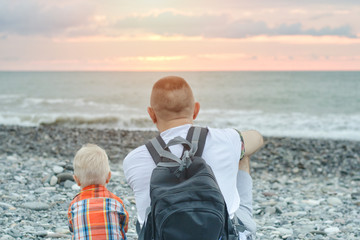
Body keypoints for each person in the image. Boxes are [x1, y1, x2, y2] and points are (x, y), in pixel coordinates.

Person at [123, 76, 264, 239]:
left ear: (151, 114)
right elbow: (258, 139)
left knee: (144, 219)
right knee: (242, 154)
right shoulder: (225, 139)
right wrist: (236, 144)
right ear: (196, 110)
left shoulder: (133, 160)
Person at [68, 143, 129, 240]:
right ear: (108, 177)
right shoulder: (116, 201)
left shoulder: (75, 204)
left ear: (77, 180)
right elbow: (124, 226)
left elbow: (72, 227)